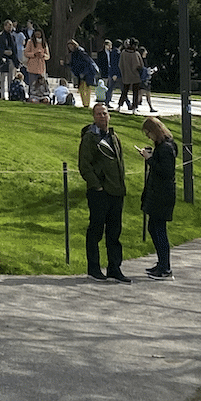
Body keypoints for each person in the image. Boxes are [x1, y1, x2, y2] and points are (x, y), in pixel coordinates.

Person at [78, 102, 131, 283]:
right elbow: (84, 166)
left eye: (105, 113)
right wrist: (97, 186)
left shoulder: (114, 137)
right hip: (99, 193)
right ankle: (94, 267)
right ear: (94, 117)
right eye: (99, 114)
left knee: (114, 233)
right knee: (96, 230)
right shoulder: (89, 138)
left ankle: (114, 268)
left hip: (116, 192)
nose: (102, 116)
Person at [138, 115, 178, 277]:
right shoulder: (163, 146)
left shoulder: (166, 148)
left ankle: (165, 267)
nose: (148, 136)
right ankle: (162, 262)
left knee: (158, 229)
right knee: (154, 228)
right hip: (158, 192)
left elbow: (166, 172)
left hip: (163, 194)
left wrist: (150, 160)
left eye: (149, 133)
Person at [0, 19, 20, 103]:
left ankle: (10, 94)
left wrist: (17, 62)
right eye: (8, 26)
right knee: (2, 78)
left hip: (11, 60)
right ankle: (2, 95)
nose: (9, 28)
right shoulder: (0, 36)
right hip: (3, 59)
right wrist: (4, 51)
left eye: (10, 26)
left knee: (10, 78)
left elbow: (15, 50)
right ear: (4, 26)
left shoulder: (12, 37)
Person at [24, 28, 50, 102]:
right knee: (32, 83)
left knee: (41, 83)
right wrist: (34, 54)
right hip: (32, 66)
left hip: (41, 67)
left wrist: (43, 55)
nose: (38, 36)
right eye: (36, 34)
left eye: (39, 34)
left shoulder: (44, 43)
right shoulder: (30, 42)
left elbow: (48, 56)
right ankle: (31, 97)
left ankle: (41, 96)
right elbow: (26, 53)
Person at [118, 40, 143, 113]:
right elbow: (141, 65)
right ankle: (134, 107)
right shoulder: (136, 54)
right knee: (135, 93)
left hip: (126, 75)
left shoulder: (123, 53)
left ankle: (119, 105)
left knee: (124, 91)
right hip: (136, 76)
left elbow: (120, 64)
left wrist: (123, 72)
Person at [102, 39, 120, 106]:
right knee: (109, 87)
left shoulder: (112, 52)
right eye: (109, 45)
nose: (110, 47)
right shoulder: (102, 53)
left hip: (111, 71)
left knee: (110, 87)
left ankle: (108, 100)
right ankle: (106, 100)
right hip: (107, 71)